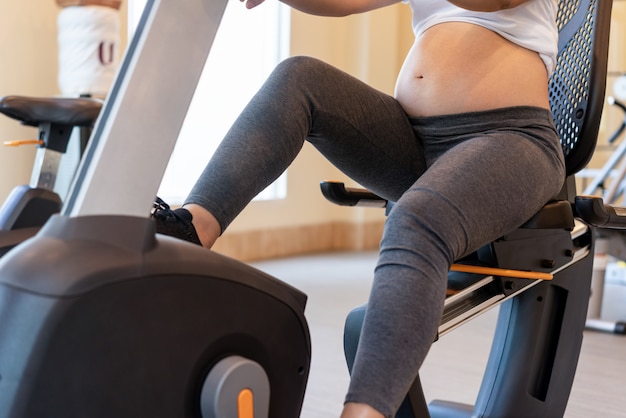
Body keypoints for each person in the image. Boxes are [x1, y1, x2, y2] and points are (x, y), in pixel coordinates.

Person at [152, 0, 564, 416]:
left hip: (513, 139)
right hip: (414, 143)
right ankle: (190, 232)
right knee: (299, 78)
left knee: (416, 220)